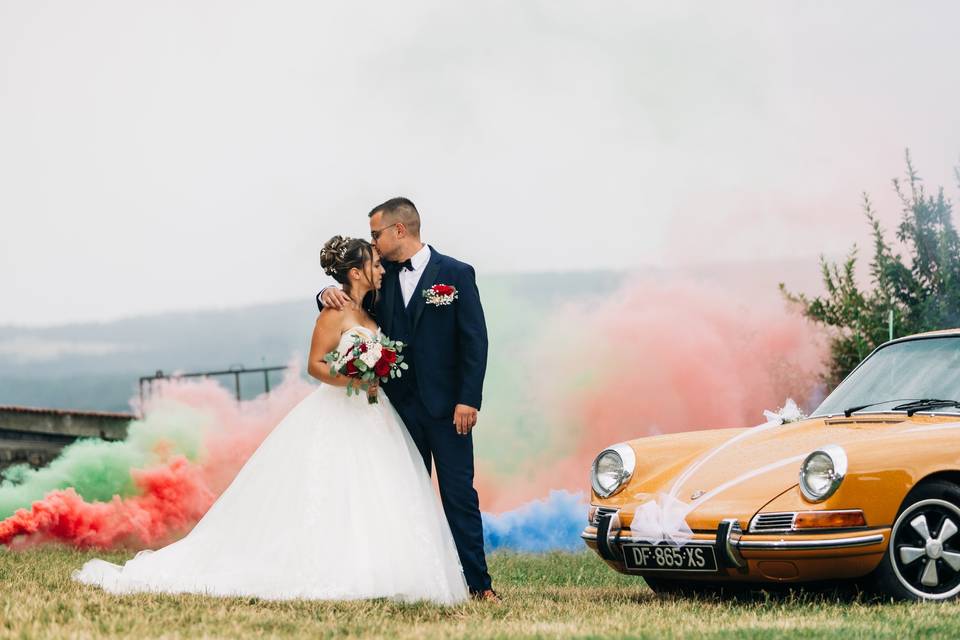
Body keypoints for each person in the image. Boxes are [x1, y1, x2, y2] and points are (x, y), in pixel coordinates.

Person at [73, 236, 469, 605]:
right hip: (340, 410)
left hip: (375, 413)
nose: (382, 268)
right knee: (331, 487)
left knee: (380, 488)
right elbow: (316, 366)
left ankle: (386, 568)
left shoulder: (372, 309)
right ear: (355, 271)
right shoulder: (334, 313)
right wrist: (356, 376)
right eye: (375, 264)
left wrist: (374, 376)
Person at [318, 197, 495, 600]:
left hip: (449, 410)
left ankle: (478, 584)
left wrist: (469, 399)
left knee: (458, 496)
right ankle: (413, 582)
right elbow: (352, 305)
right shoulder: (379, 275)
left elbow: (474, 342)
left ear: (400, 230)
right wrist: (326, 293)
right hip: (395, 411)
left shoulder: (456, 273)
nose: (372, 243)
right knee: (402, 496)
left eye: (376, 234)